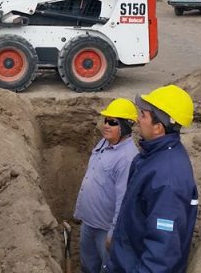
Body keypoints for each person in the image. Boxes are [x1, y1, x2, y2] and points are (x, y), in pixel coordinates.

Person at [105, 85, 199, 273]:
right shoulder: (151, 157)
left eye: (144, 115)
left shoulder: (168, 180)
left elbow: (161, 255)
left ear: (158, 128)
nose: (138, 119)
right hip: (125, 260)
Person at [73, 99, 139, 273]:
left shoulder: (127, 158)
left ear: (125, 126)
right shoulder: (103, 143)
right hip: (89, 222)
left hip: (105, 228)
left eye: (113, 122)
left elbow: (123, 199)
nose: (106, 125)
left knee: (107, 267)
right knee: (88, 265)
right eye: (105, 120)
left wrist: (113, 232)